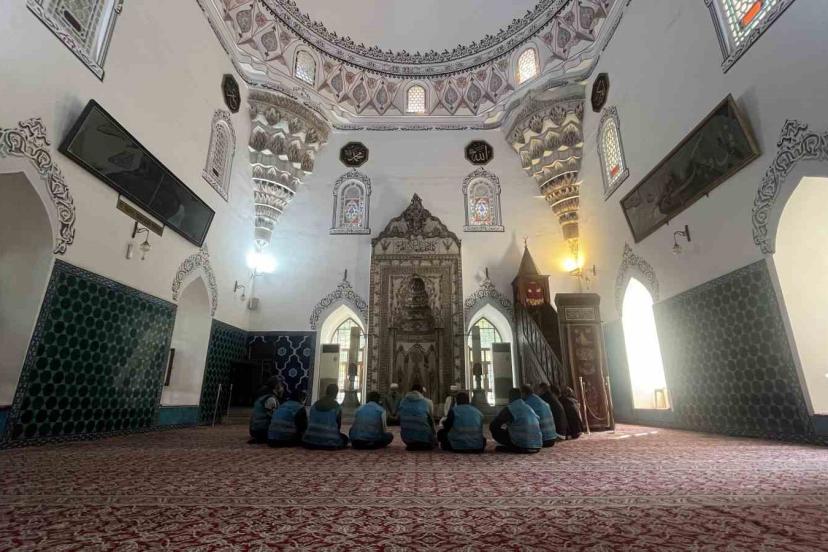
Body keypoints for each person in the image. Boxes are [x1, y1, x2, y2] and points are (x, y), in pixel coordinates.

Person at [489, 388, 542, 453]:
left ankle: (513, 447)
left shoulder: (510, 408)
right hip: (537, 446)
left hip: (523, 446)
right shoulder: (528, 407)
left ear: (510, 397)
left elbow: (494, 424)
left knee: (494, 428)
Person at [302, 383, 349, 450]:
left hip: (310, 440)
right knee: (345, 438)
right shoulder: (337, 407)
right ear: (336, 393)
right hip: (329, 442)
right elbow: (338, 426)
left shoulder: (314, 405)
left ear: (326, 392)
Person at [399, 383, 437, 451]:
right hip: (424, 439)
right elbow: (431, 421)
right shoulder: (427, 402)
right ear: (421, 391)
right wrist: (434, 436)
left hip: (406, 439)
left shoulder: (402, 401)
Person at [248, 376, 282, 444]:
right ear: (276, 386)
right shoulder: (270, 399)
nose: (282, 388)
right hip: (261, 430)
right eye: (281, 385)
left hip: (254, 430)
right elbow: (274, 417)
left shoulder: (263, 395)